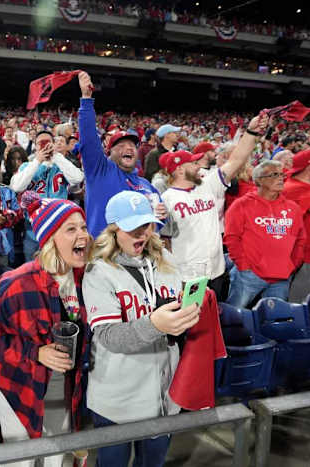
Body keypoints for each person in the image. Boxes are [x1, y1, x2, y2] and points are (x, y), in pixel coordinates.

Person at [83, 190, 199, 467]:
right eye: (132, 227)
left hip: (163, 396)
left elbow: (176, 319)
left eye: (146, 225)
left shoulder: (167, 261)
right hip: (117, 398)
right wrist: (155, 324)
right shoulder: (98, 271)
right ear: (113, 230)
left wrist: (188, 315)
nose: (142, 233)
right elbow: (109, 336)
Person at [0, 191, 90, 467]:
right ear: (51, 238)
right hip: (20, 384)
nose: (84, 235)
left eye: (84, 227)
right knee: (21, 461)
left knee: (57, 455)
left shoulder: (87, 280)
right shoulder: (16, 283)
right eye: (71, 229)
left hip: (64, 385)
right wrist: (36, 352)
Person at [160, 113, 267, 300]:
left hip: (216, 270)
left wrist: (251, 132)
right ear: (179, 169)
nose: (198, 166)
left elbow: (236, 161)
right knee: (191, 321)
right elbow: (164, 242)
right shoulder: (167, 199)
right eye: (192, 163)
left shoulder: (208, 184)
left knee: (213, 317)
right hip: (189, 276)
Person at [76, 71, 167, 239]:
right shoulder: (100, 171)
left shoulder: (147, 185)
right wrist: (86, 99)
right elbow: (88, 139)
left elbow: (158, 223)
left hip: (138, 255)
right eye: (122, 145)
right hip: (104, 257)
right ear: (109, 152)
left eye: (133, 145)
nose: (129, 148)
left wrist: (162, 216)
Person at [225, 160, 306, 307]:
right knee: (235, 318)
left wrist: (292, 264)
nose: (281, 178)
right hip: (249, 275)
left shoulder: (293, 208)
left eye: (282, 175)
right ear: (259, 180)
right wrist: (244, 266)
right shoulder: (242, 205)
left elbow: (300, 239)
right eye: (274, 174)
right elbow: (231, 238)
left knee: (275, 319)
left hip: (282, 277)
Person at [10, 130, 84, 261]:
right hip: (33, 231)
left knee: (60, 273)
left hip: (59, 229)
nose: (44, 146)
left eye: (48, 142)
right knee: (33, 274)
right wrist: (38, 160)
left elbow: (78, 178)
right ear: (35, 146)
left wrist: (56, 155)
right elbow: (17, 187)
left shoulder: (61, 165)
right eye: (41, 143)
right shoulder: (27, 166)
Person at [281, 148, 310, 302]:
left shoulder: (303, 184)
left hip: (308, 256)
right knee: (301, 304)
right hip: (306, 257)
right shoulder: (293, 188)